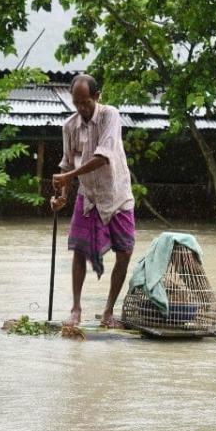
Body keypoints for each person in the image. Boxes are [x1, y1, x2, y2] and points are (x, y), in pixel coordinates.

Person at [51, 74, 135, 328]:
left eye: (85, 102)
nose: (81, 108)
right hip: (88, 196)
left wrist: (68, 176)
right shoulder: (70, 126)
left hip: (116, 193)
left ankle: (109, 312)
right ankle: (75, 309)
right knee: (78, 250)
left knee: (125, 252)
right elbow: (66, 163)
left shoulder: (110, 115)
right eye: (76, 103)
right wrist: (61, 196)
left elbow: (103, 156)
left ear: (97, 97)